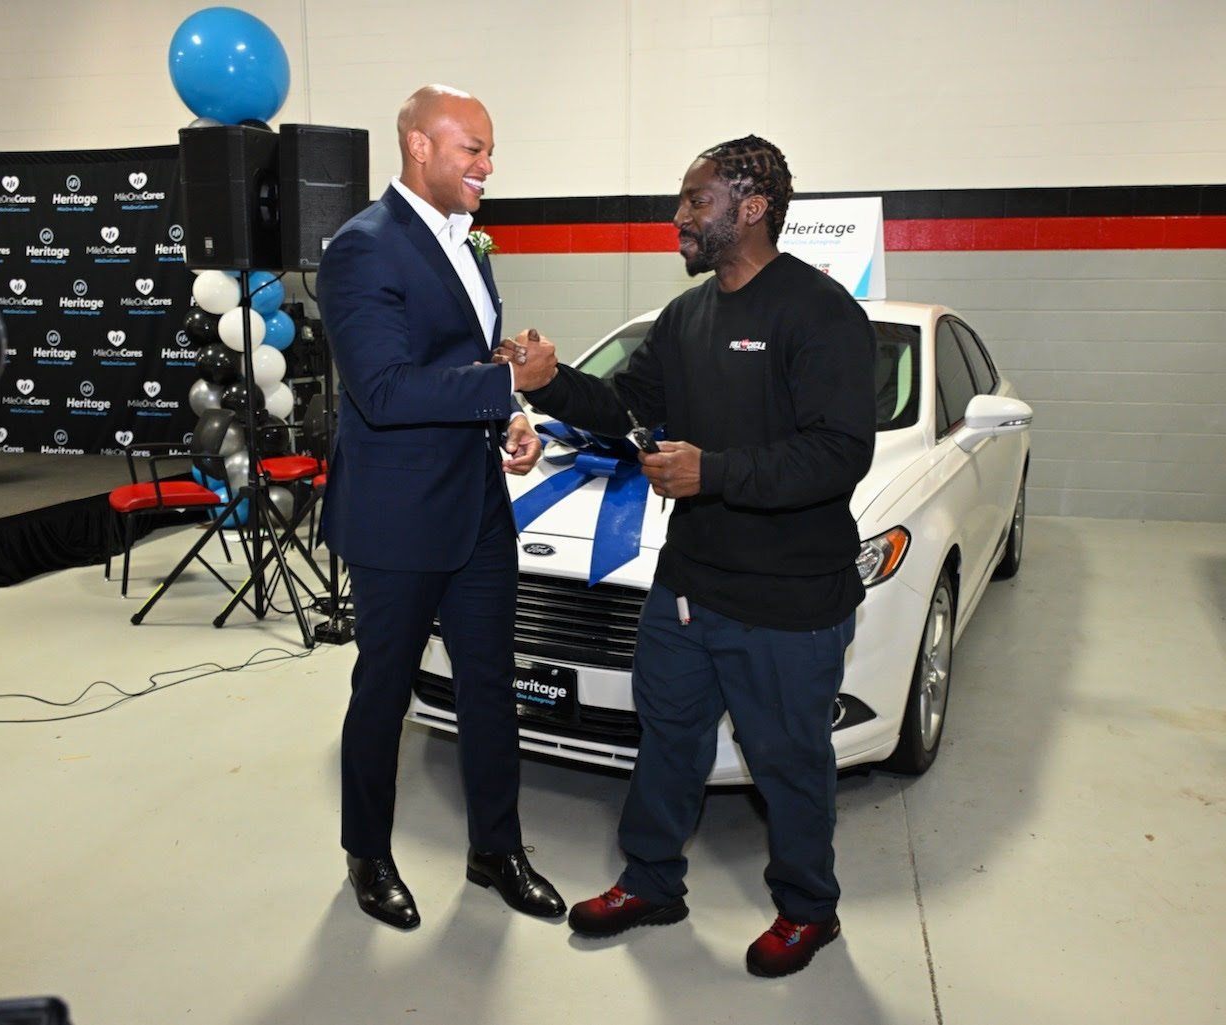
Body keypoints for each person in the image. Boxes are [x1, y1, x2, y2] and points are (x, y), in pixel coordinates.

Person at [494, 135, 876, 976]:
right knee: (667, 738)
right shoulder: (687, 316)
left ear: (752, 207)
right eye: (682, 200)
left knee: (789, 762)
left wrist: (716, 472)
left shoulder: (819, 313)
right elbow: (624, 404)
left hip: (788, 598)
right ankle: (651, 880)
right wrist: (550, 382)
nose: (679, 215)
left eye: (697, 200)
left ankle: (809, 910)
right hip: (688, 584)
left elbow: (841, 453)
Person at [316, 84, 565, 930]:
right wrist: (506, 382)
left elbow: (464, 358)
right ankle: (367, 853)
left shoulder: (468, 240)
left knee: (491, 684)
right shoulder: (362, 249)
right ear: (419, 146)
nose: (488, 165)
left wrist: (511, 413)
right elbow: (384, 390)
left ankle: (497, 849)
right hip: (398, 517)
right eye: (473, 149)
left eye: (491, 150)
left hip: (479, 505)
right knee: (383, 691)